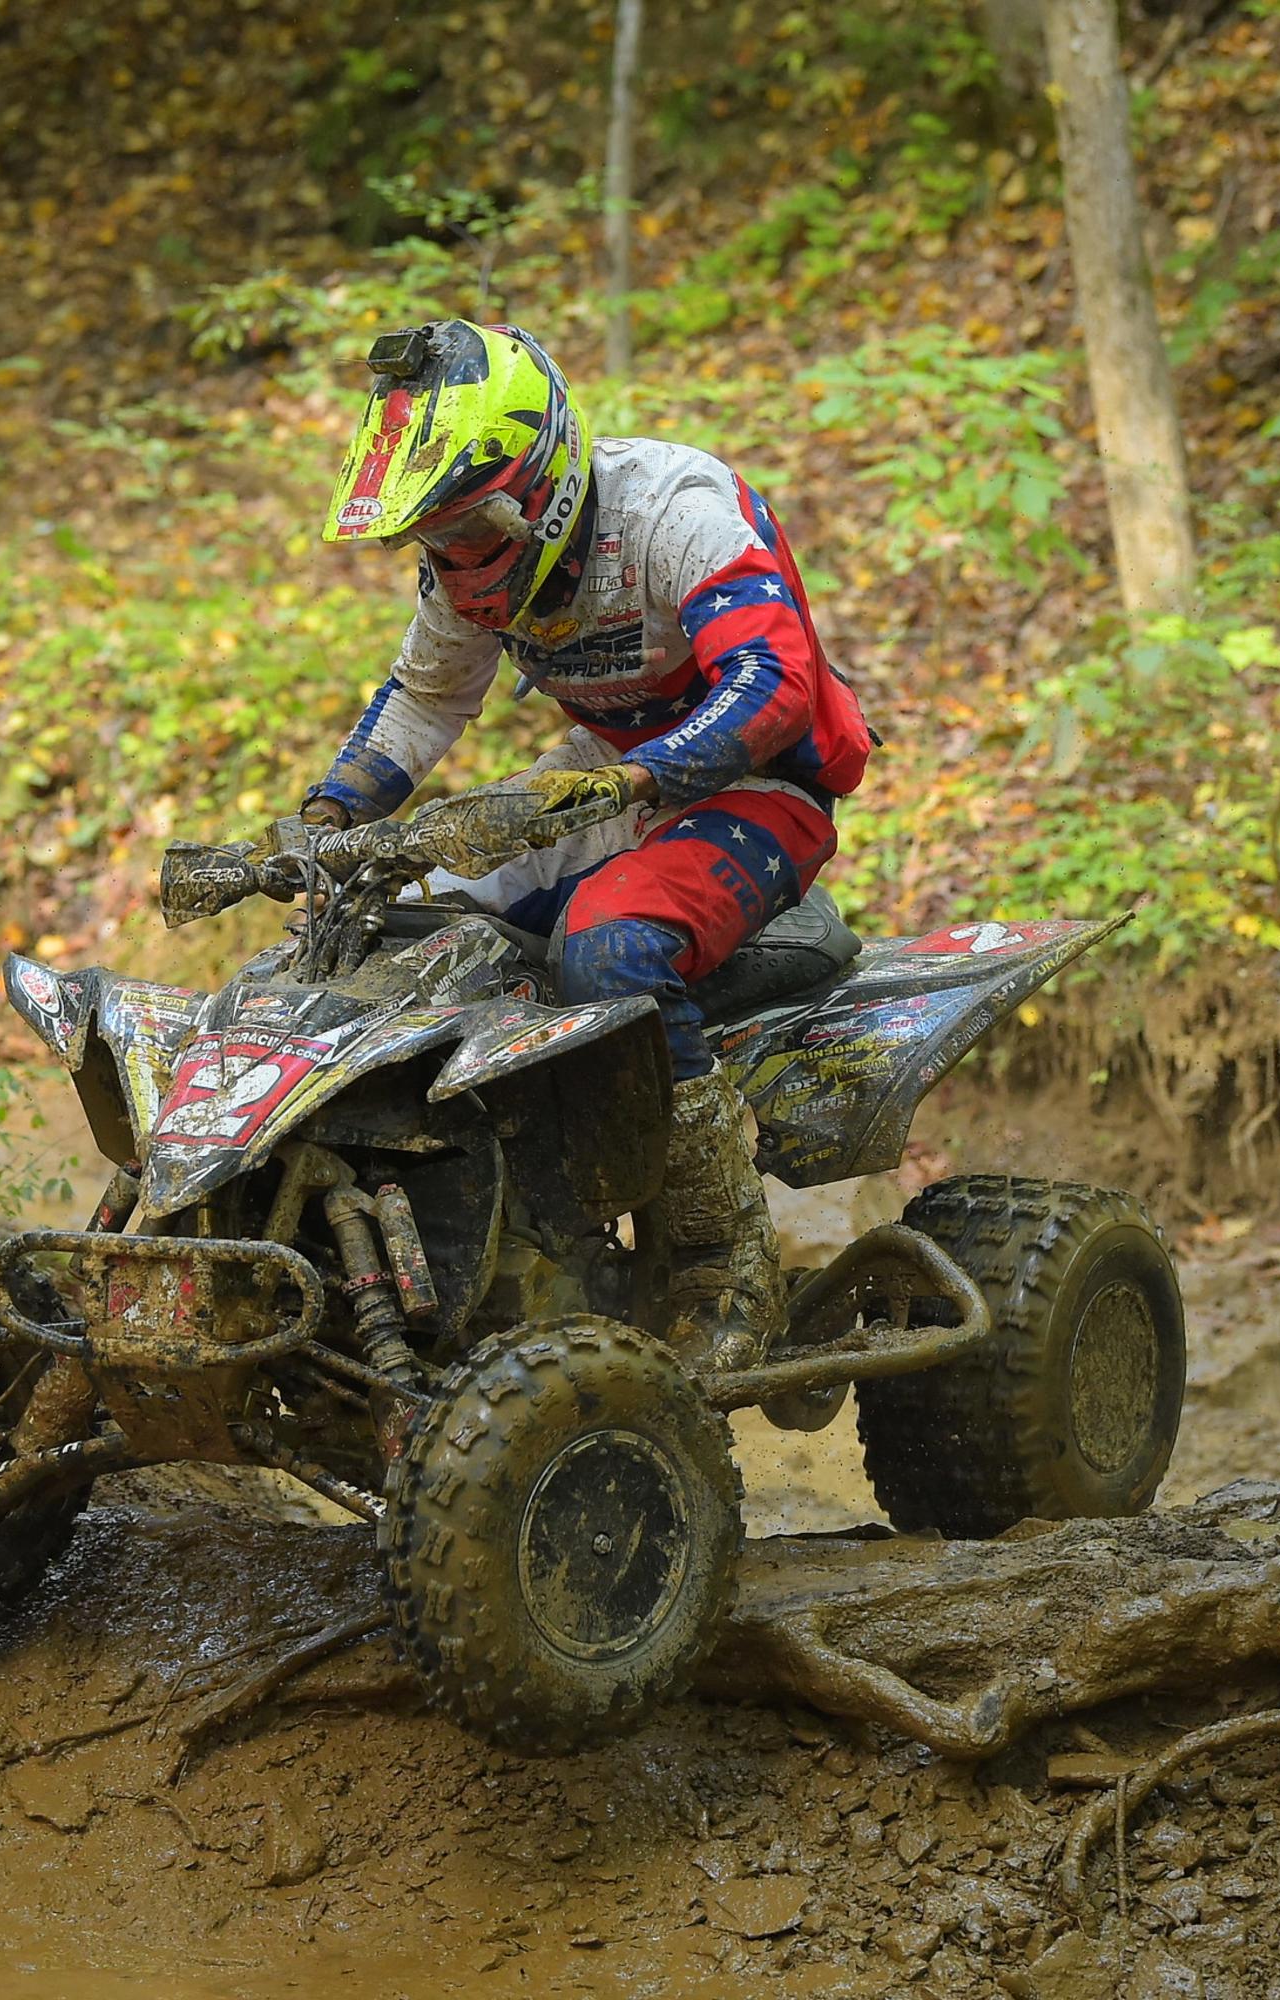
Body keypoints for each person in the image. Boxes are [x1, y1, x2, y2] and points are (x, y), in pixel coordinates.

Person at [303, 317, 875, 1368]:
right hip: (605, 774)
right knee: (401, 915)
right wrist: (332, 816)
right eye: (431, 533)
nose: (452, 555)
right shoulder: (470, 559)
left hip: (762, 780)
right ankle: (476, 1212)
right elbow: (425, 700)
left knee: (606, 945)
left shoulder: (677, 510)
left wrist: (640, 775)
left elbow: (776, 682)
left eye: (466, 526)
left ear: (541, 485)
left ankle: (723, 1259)